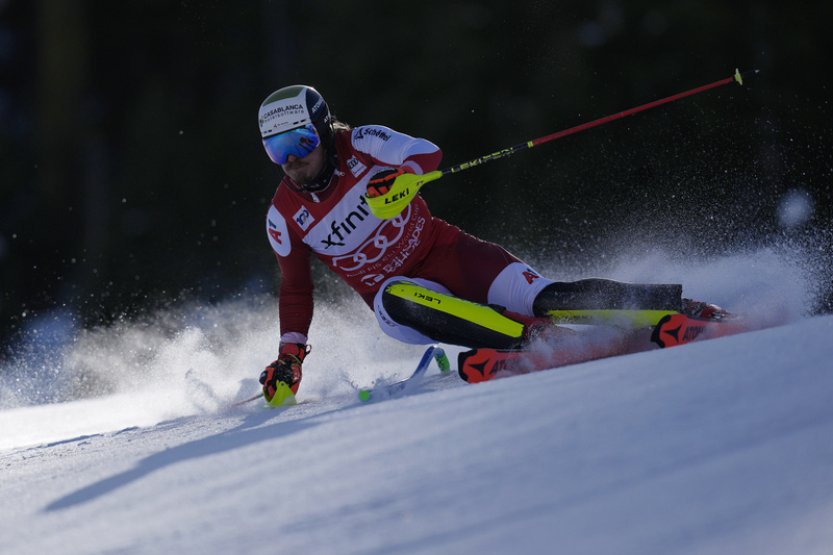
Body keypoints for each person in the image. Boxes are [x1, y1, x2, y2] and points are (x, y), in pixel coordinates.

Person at [256, 85, 722, 406]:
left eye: (299, 142)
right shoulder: (282, 216)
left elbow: (425, 152)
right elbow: (296, 289)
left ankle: (683, 308)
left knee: (544, 298)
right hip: (399, 298)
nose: (292, 161)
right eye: (276, 151)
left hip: (449, 251)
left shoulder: (359, 141)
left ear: (322, 130)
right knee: (397, 297)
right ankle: (533, 340)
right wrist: (289, 358)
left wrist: (405, 179)